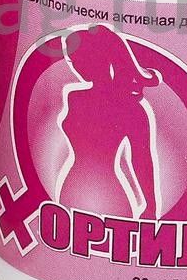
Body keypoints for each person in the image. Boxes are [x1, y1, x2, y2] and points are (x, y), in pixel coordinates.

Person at [56, 26, 162, 219]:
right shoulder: (74, 97)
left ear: (102, 58)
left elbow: (142, 160)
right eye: (72, 60)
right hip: (72, 188)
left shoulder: (131, 109)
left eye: (80, 59)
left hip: (110, 194)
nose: (76, 66)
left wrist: (151, 208)